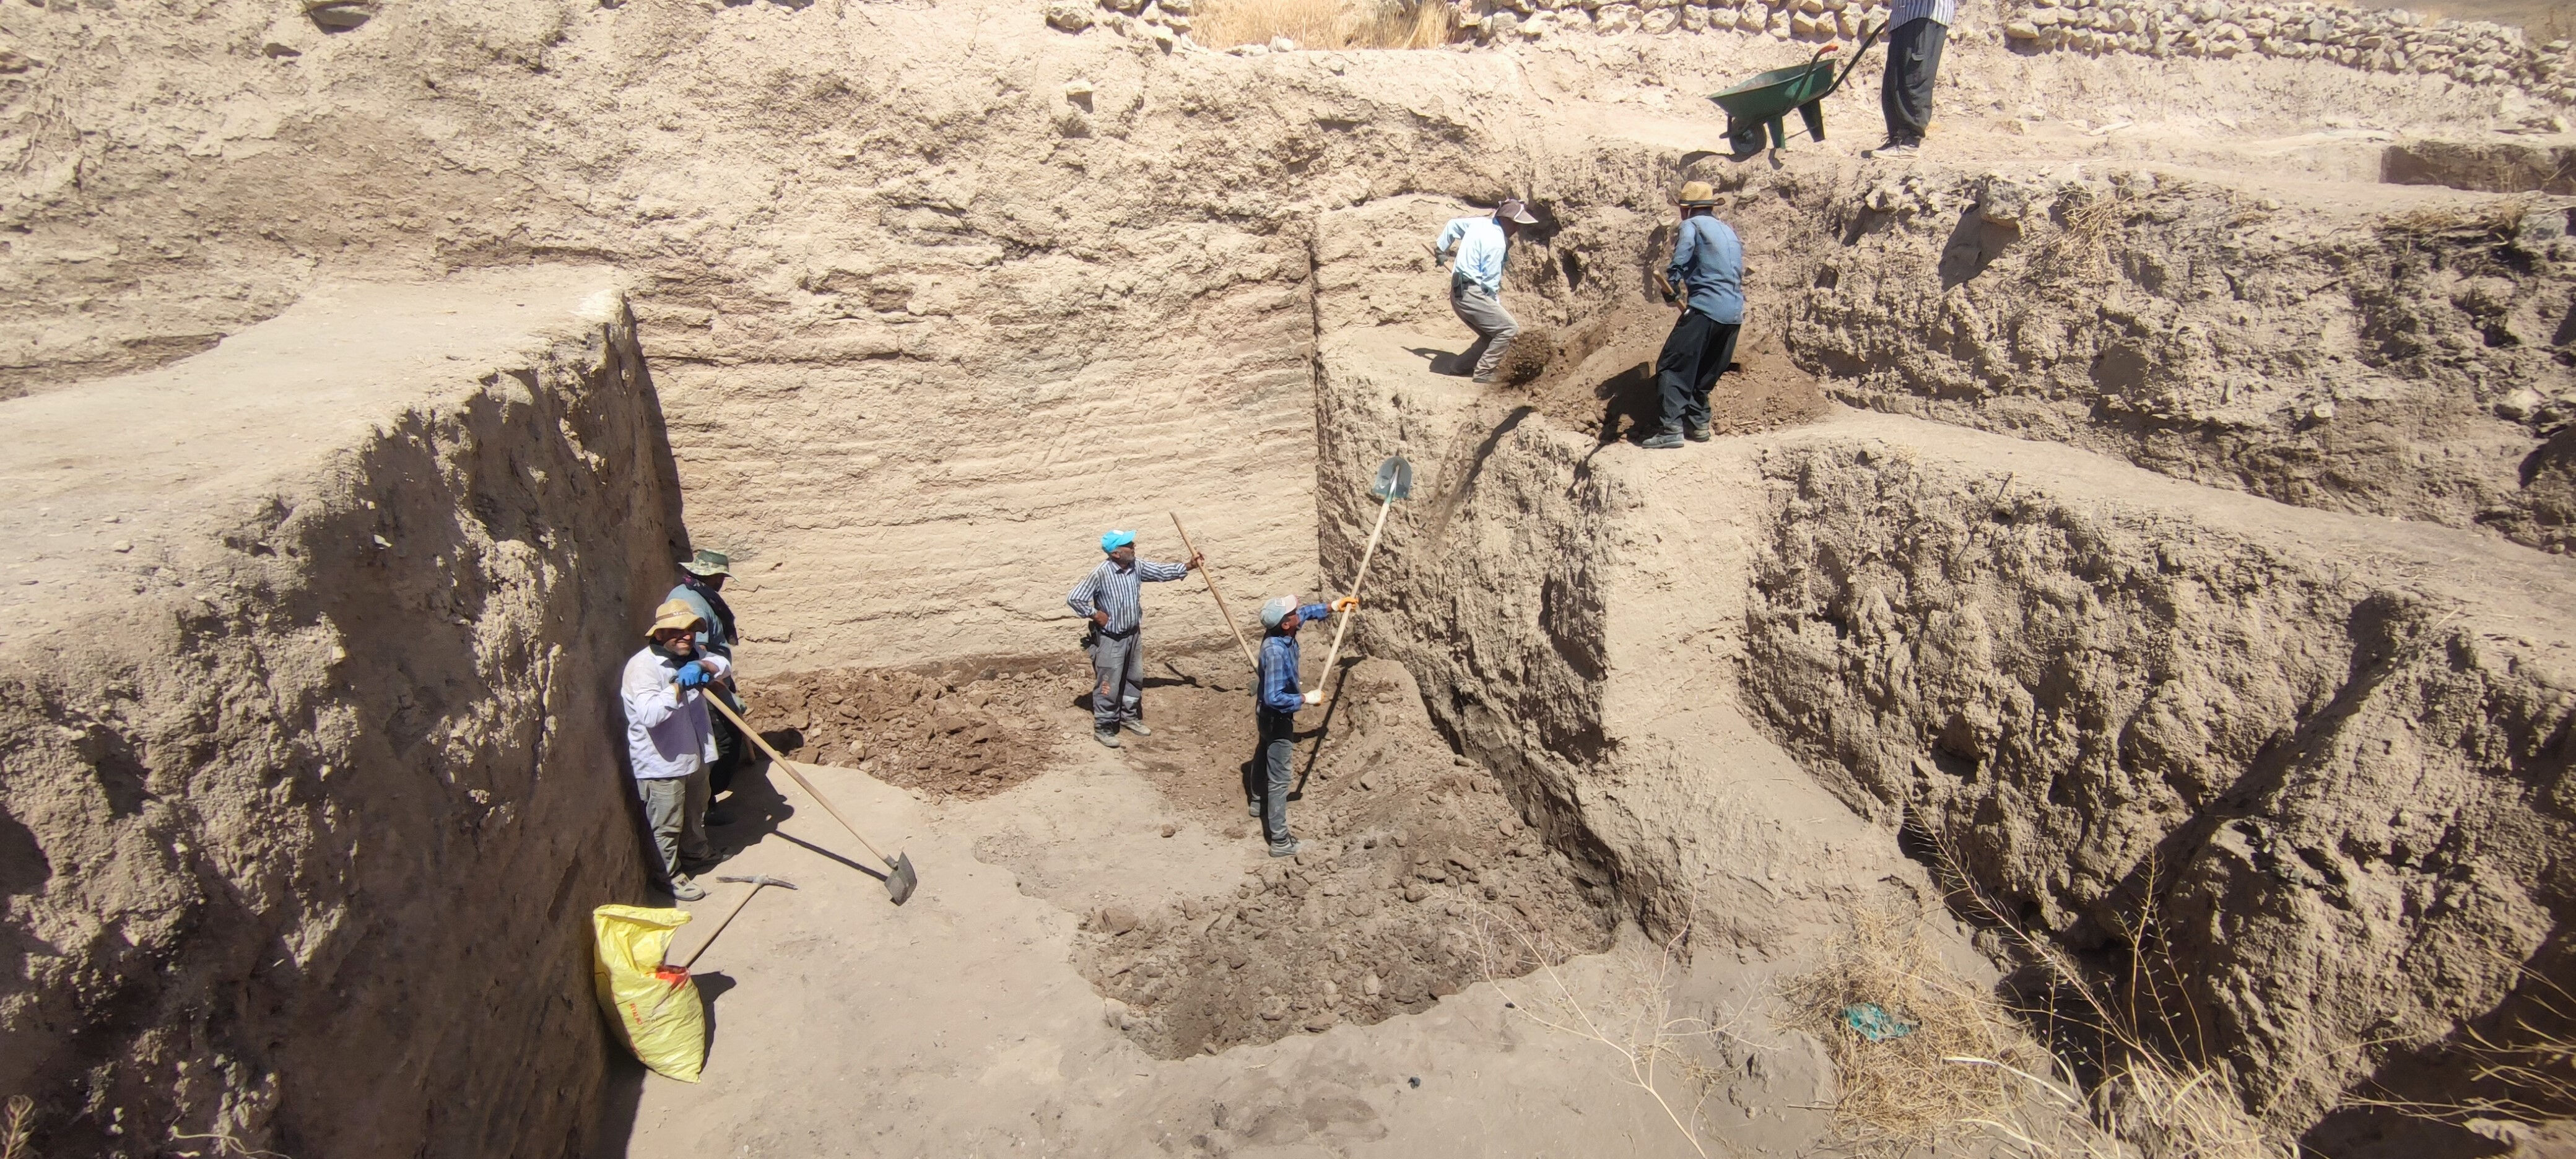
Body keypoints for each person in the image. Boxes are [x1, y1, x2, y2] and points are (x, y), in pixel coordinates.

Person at [622, 599, 734, 901]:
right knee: (667, 824)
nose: (685, 637)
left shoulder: (690, 655)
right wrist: (677, 687)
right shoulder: (642, 668)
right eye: (676, 631)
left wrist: (703, 664)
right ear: (659, 635)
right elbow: (650, 715)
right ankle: (669, 877)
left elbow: (724, 664)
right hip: (662, 763)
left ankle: (697, 853)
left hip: (695, 752)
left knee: (696, 809)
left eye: (691, 631)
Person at [1065, 530, 1203, 749]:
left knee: (1134, 678)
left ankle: (1129, 717)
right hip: (1111, 639)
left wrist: (1188, 566)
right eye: (1129, 544)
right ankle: (1104, 727)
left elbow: (1159, 571)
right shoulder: (1101, 573)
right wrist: (1094, 614)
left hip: (1133, 635)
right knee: (1108, 683)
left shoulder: (1136, 566)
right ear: (1116, 553)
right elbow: (1074, 598)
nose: (1134, 545)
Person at [1249, 594, 1358, 858]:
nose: (1299, 614)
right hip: (1277, 718)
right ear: (1286, 624)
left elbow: (1305, 614)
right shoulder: (1275, 651)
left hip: (1266, 716)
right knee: (1280, 779)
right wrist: (1305, 699)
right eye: (1293, 613)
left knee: (1264, 750)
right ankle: (1280, 842)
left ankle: (1256, 802)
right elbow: (1275, 698)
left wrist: (1332, 607)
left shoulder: (1283, 630)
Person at [1643, 181, 1746, 451]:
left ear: (1687, 210)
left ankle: (1671, 430)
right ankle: (1699, 425)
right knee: (1705, 372)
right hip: (1734, 314)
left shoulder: (1692, 226)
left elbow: (1683, 252)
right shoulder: (1728, 231)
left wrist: (1673, 281)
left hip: (1706, 309)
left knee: (1672, 366)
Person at [665, 549, 744, 825]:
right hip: (703, 682)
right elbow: (694, 649)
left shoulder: (695, 592)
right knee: (723, 741)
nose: (722, 582)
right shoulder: (693, 603)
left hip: (712, 673)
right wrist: (709, 677)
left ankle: (707, 801)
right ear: (711, 576)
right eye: (721, 576)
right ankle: (707, 804)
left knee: (719, 741)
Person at [1431, 199, 1541, 383]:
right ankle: (1483, 372)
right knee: (1508, 328)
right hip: (1471, 293)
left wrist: (1441, 249)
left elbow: (1452, 226)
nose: (1517, 229)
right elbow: (1489, 285)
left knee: (1491, 333)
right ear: (1505, 219)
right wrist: (1495, 306)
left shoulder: (1479, 223)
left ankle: (1459, 367)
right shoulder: (1497, 243)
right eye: (1516, 223)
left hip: (1458, 291)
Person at [1874, 0, 1956, 157]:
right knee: (1896, 81)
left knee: (1913, 78)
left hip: (1923, 16)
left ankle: (1909, 142)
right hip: (1905, 15)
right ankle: (1898, 139)